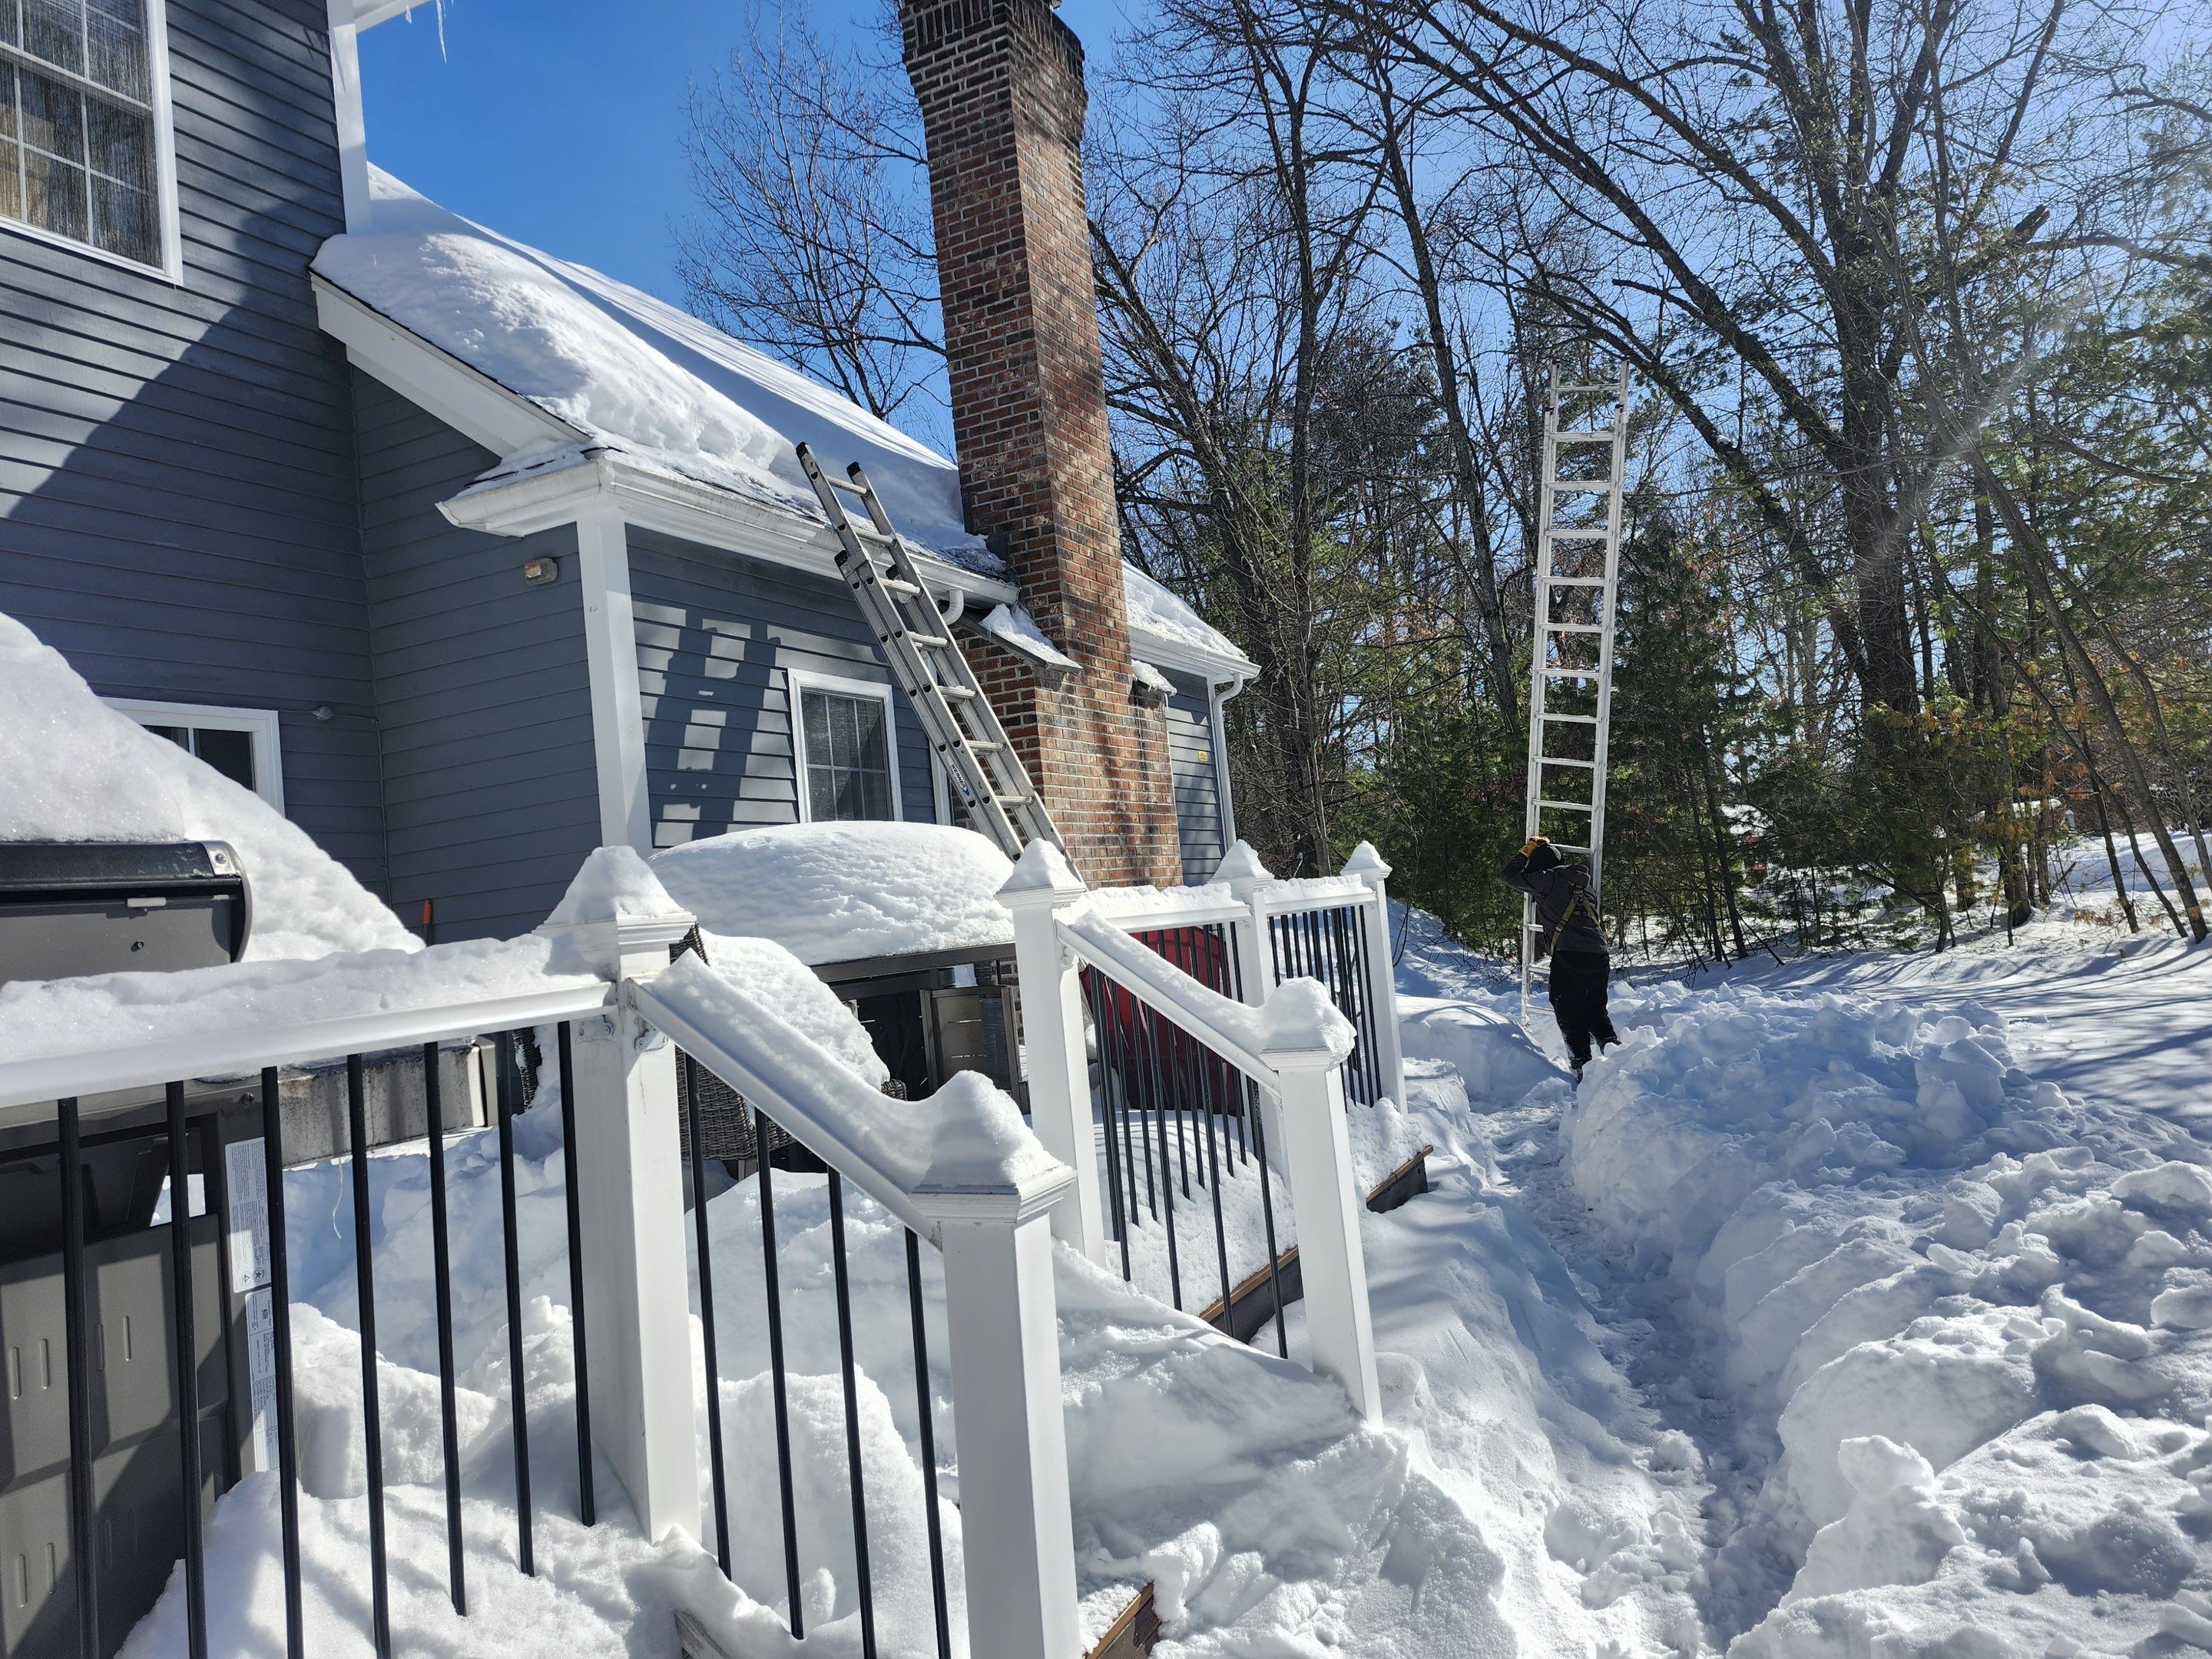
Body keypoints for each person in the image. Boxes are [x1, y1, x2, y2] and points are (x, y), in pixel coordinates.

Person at [1502, 834, 1619, 1082]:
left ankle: (1583, 1071)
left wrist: (1525, 852)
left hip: (1570, 954)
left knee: (1568, 1010)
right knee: (1596, 1011)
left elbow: (1509, 876)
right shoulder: (1586, 884)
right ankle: (1617, 1058)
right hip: (1599, 953)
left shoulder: (1548, 879)